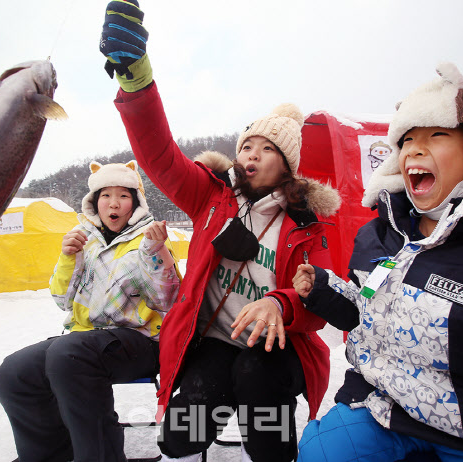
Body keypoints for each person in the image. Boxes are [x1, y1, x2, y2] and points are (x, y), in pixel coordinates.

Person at [99, 2, 342, 461]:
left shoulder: (308, 223)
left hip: (274, 350)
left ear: (286, 163)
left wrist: (279, 301)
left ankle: (267, 439)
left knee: (256, 380)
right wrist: (136, 79)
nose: (250, 153)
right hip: (213, 342)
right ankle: (223, 398)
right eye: (246, 144)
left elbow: (316, 309)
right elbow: (160, 156)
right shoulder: (212, 198)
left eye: (266, 148)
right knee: (178, 441)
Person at [293, 63, 463, 462]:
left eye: (437, 134)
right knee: (321, 451)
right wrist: (324, 288)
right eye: (406, 138)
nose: (414, 148)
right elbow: (368, 304)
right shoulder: (383, 234)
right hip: (383, 407)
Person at [0, 160, 181, 462]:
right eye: (106, 195)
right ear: (94, 202)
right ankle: (50, 454)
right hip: (82, 340)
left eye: (123, 195)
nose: (114, 203)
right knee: (14, 372)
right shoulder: (84, 239)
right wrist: (69, 257)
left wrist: (156, 253)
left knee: (69, 355)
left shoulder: (148, 238)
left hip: (139, 341)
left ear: (135, 202)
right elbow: (61, 299)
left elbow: (170, 300)